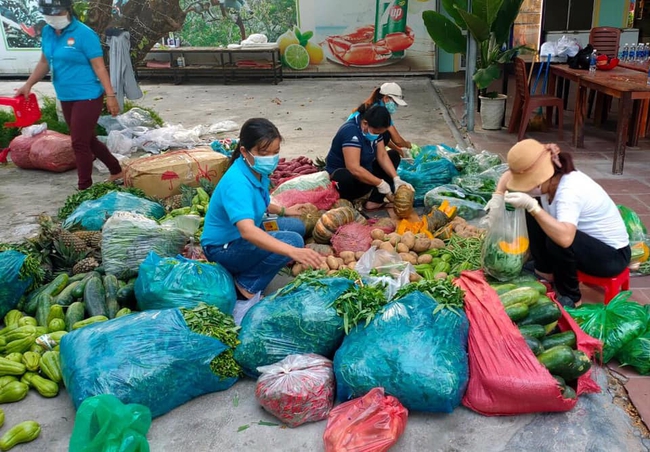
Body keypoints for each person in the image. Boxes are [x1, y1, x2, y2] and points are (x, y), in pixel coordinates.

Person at [485, 139, 630, 307]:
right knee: (533, 210)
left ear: (540, 180)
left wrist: (532, 206)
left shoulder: (569, 191)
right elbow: (509, 174)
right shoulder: (554, 174)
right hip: (587, 245)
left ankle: (572, 297)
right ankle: (544, 271)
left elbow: (565, 238)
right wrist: (498, 196)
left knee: (555, 236)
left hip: (611, 257)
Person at [201, 118, 325, 300]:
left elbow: (258, 201)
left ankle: (252, 264)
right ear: (244, 151)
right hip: (223, 249)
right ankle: (244, 288)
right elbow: (247, 231)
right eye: (264, 153)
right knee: (293, 241)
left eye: (275, 152)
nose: (271, 159)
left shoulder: (256, 171)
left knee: (295, 226)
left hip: (245, 233)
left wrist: (285, 211)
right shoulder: (237, 182)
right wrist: (292, 252)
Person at [14, 0, 123, 190]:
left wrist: (111, 96)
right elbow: (44, 62)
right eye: (48, 14)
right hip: (65, 95)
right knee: (87, 138)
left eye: (56, 13)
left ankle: (84, 187)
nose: (52, 18)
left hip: (88, 94)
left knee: (78, 142)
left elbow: (99, 66)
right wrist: (28, 85)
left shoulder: (84, 34)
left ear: (67, 10)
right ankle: (116, 170)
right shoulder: (48, 32)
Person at [326, 105, 413, 211]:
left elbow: (382, 155)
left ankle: (374, 202)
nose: (377, 135)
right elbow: (353, 168)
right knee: (343, 175)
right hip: (345, 182)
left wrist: (396, 178)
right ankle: (348, 204)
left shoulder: (373, 130)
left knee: (393, 155)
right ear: (365, 123)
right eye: (376, 133)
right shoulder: (351, 132)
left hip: (364, 177)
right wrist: (379, 183)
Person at [349, 82, 411, 156]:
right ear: (386, 98)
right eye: (395, 103)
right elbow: (397, 140)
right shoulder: (379, 111)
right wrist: (407, 145)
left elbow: (379, 134)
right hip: (355, 141)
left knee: (385, 135)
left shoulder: (375, 105)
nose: (396, 106)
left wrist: (397, 149)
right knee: (387, 134)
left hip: (360, 138)